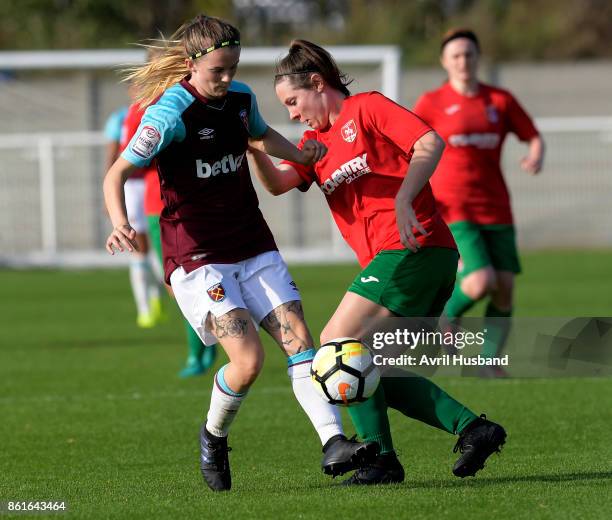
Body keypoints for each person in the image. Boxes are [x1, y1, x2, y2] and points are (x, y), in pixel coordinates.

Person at [102, 15, 377, 492]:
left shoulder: (242, 99)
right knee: (247, 363)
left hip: (252, 241)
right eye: (218, 72)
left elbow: (260, 134)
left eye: (233, 68)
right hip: (197, 254)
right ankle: (213, 435)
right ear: (192, 65)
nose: (227, 80)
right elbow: (116, 174)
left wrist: (300, 155)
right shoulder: (170, 113)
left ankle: (334, 442)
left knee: (299, 343)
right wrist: (120, 223)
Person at [247, 39, 507, 485]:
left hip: (413, 248)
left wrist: (406, 197)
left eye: (293, 101)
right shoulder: (313, 143)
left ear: (317, 83)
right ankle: (474, 429)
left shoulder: (366, 109)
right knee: (373, 368)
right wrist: (252, 144)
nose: (291, 113)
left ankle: (379, 460)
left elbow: (429, 141)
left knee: (336, 343)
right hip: (413, 260)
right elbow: (277, 185)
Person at [413, 29, 545, 377]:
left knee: (504, 288)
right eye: (455, 55)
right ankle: (445, 316)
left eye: (469, 54)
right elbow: (409, 143)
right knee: (480, 280)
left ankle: (489, 363)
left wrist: (535, 156)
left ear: (478, 57)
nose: (463, 61)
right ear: (444, 61)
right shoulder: (431, 102)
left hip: (497, 207)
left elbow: (532, 135)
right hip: (453, 207)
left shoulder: (499, 100)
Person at [121, 98, 217, 377]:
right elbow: (134, 158)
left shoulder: (148, 106)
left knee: (184, 281)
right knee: (184, 280)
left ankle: (199, 350)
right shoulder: (189, 101)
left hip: (173, 204)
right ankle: (205, 342)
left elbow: (129, 160)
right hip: (166, 202)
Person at [105, 92, 164, 329]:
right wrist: (109, 195)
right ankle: (145, 307)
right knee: (137, 246)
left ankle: (158, 297)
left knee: (160, 246)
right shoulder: (119, 117)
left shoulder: (163, 108)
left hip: (155, 183)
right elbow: (113, 157)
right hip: (130, 186)